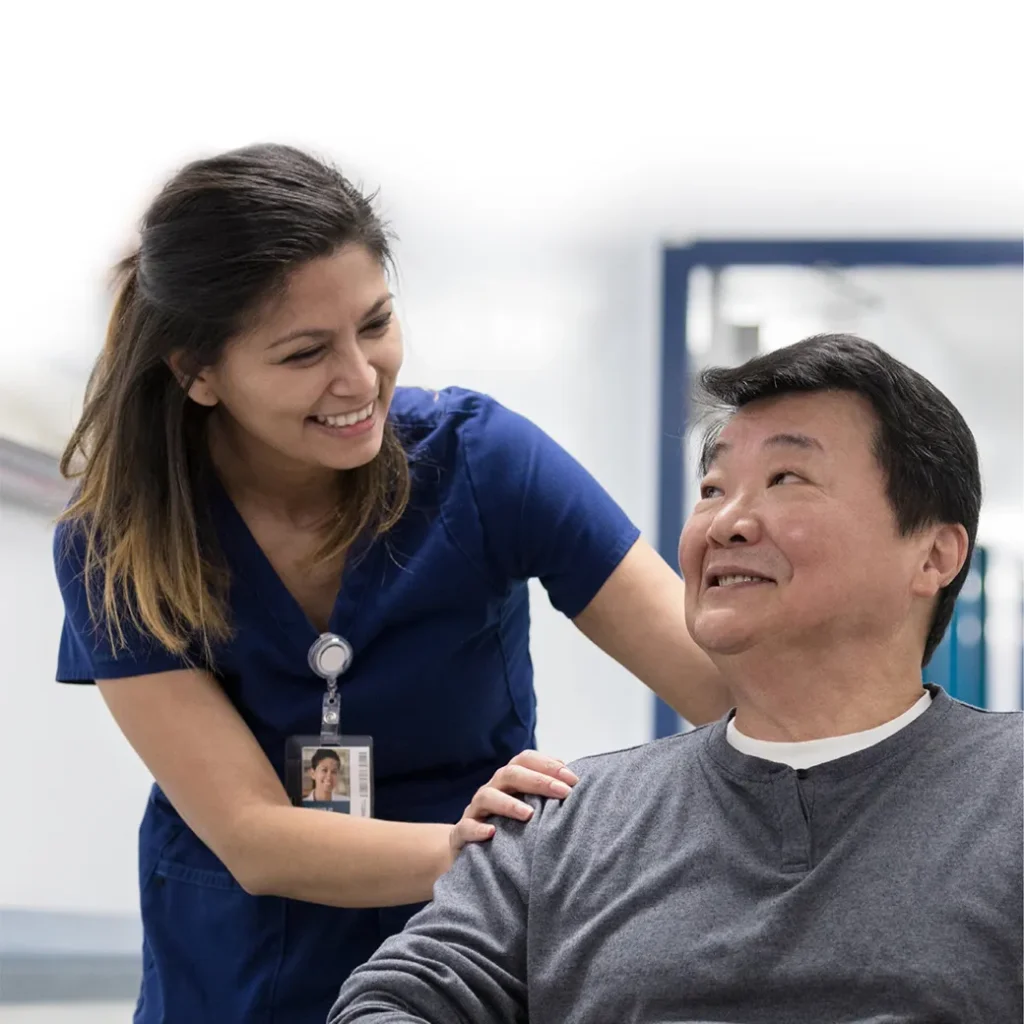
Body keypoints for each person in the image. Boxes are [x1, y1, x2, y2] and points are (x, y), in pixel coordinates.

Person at [52, 143, 730, 1023]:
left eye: (375, 324)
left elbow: (714, 685)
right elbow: (253, 836)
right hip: (237, 966)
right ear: (197, 373)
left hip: (464, 953)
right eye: (304, 353)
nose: (359, 378)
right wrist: (474, 848)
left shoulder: (482, 462)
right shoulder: (121, 542)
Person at [330, 334, 1023, 1024]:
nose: (725, 522)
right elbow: (391, 1001)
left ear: (933, 555)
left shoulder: (1006, 792)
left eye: (787, 479)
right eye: (713, 489)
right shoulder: (561, 818)